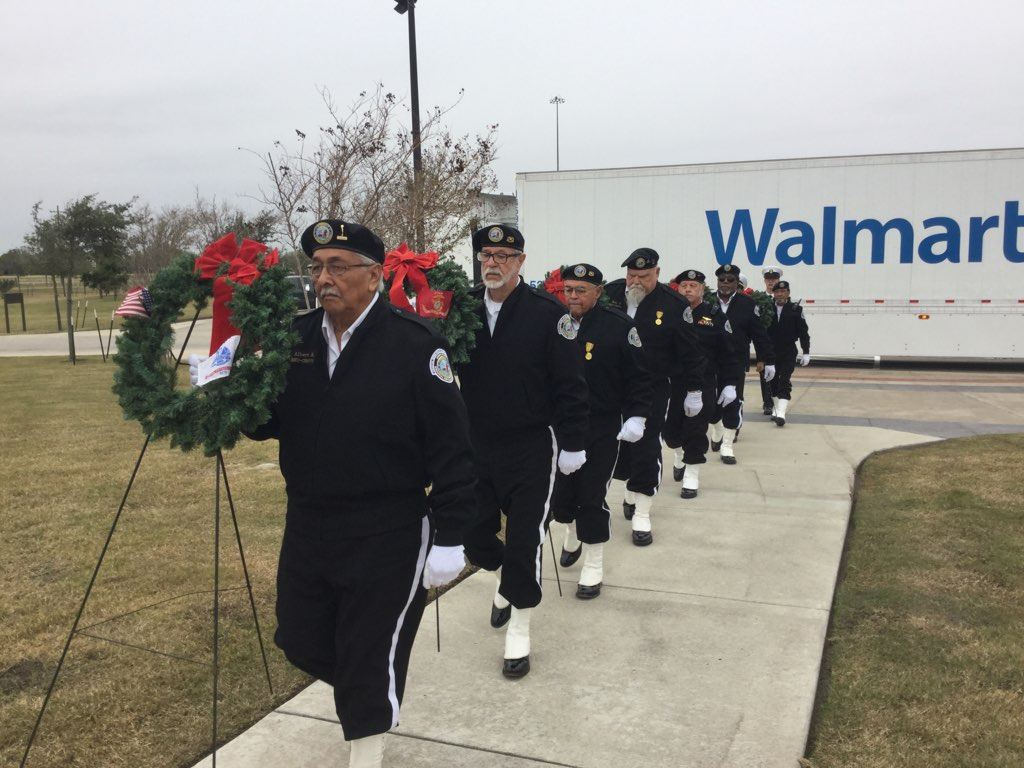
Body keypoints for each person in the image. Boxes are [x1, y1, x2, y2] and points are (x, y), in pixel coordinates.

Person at [240, 220, 477, 768]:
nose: (324, 278)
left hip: (387, 529)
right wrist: (233, 395)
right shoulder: (294, 342)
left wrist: (452, 534)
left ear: (374, 276)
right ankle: (361, 702)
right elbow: (272, 420)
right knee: (302, 637)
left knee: (369, 656)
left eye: (338, 267)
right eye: (318, 267)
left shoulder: (415, 344)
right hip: (310, 522)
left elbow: (452, 449)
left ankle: (365, 751)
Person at [457, 224, 589, 678]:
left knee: (525, 537)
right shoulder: (462, 310)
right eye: (486, 254)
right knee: (474, 536)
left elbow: (571, 384)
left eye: (503, 255)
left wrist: (572, 444)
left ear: (520, 261)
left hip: (532, 445)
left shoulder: (548, 313)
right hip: (476, 443)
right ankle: (504, 578)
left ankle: (520, 624)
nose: (492, 263)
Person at [550, 263, 652, 598]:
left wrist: (637, 416)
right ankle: (571, 531)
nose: (573, 297)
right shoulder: (554, 323)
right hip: (561, 427)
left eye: (580, 290)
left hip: (601, 426)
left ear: (598, 292)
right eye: (568, 290)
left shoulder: (618, 326)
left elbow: (639, 376)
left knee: (591, 495)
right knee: (560, 499)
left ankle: (593, 562)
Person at [605, 248, 706, 545]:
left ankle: (643, 512)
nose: (636, 281)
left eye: (644, 276)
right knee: (618, 446)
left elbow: (690, 352)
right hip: (612, 387)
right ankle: (629, 490)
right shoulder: (610, 294)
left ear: (658, 274)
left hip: (652, 387)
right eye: (632, 275)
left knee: (647, 447)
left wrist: (694, 391)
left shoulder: (673, 304)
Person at [666, 269, 742, 496]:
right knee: (670, 433)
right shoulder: (670, 312)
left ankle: (692, 473)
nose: (688, 289)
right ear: (678, 289)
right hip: (673, 382)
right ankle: (679, 453)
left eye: (693, 286)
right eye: (684, 286)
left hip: (703, 382)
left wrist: (730, 384)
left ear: (702, 289)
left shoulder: (714, 314)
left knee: (696, 429)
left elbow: (729, 353)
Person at [706, 264, 776, 464]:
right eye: (722, 279)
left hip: (735, 361)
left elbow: (759, 335)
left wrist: (768, 359)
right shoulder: (708, 303)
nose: (726, 283)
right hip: (710, 362)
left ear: (737, 283)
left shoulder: (747, 304)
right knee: (710, 404)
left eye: (730, 280)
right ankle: (717, 427)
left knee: (733, 402)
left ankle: (727, 445)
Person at [768, 280, 811, 426]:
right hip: (771, 351)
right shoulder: (767, 309)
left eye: (783, 291)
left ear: (788, 293)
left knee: (784, 380)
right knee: (772, 380)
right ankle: (776, 409)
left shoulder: (796, 310)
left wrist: (806, 352)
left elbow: (804, 333)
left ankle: (781, 413)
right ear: (773, 294)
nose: (780, 294)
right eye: (777, 292)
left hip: (788, 351)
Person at [759, 266, 784, 415]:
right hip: (763, 342)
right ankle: (767, 402)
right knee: (764, 373)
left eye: (773, 279)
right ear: (764, 281)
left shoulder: (782, 299)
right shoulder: (759, 299)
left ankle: (776, 398)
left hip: (779, 343)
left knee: (778, 373)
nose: (771, 282)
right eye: (768, 280)